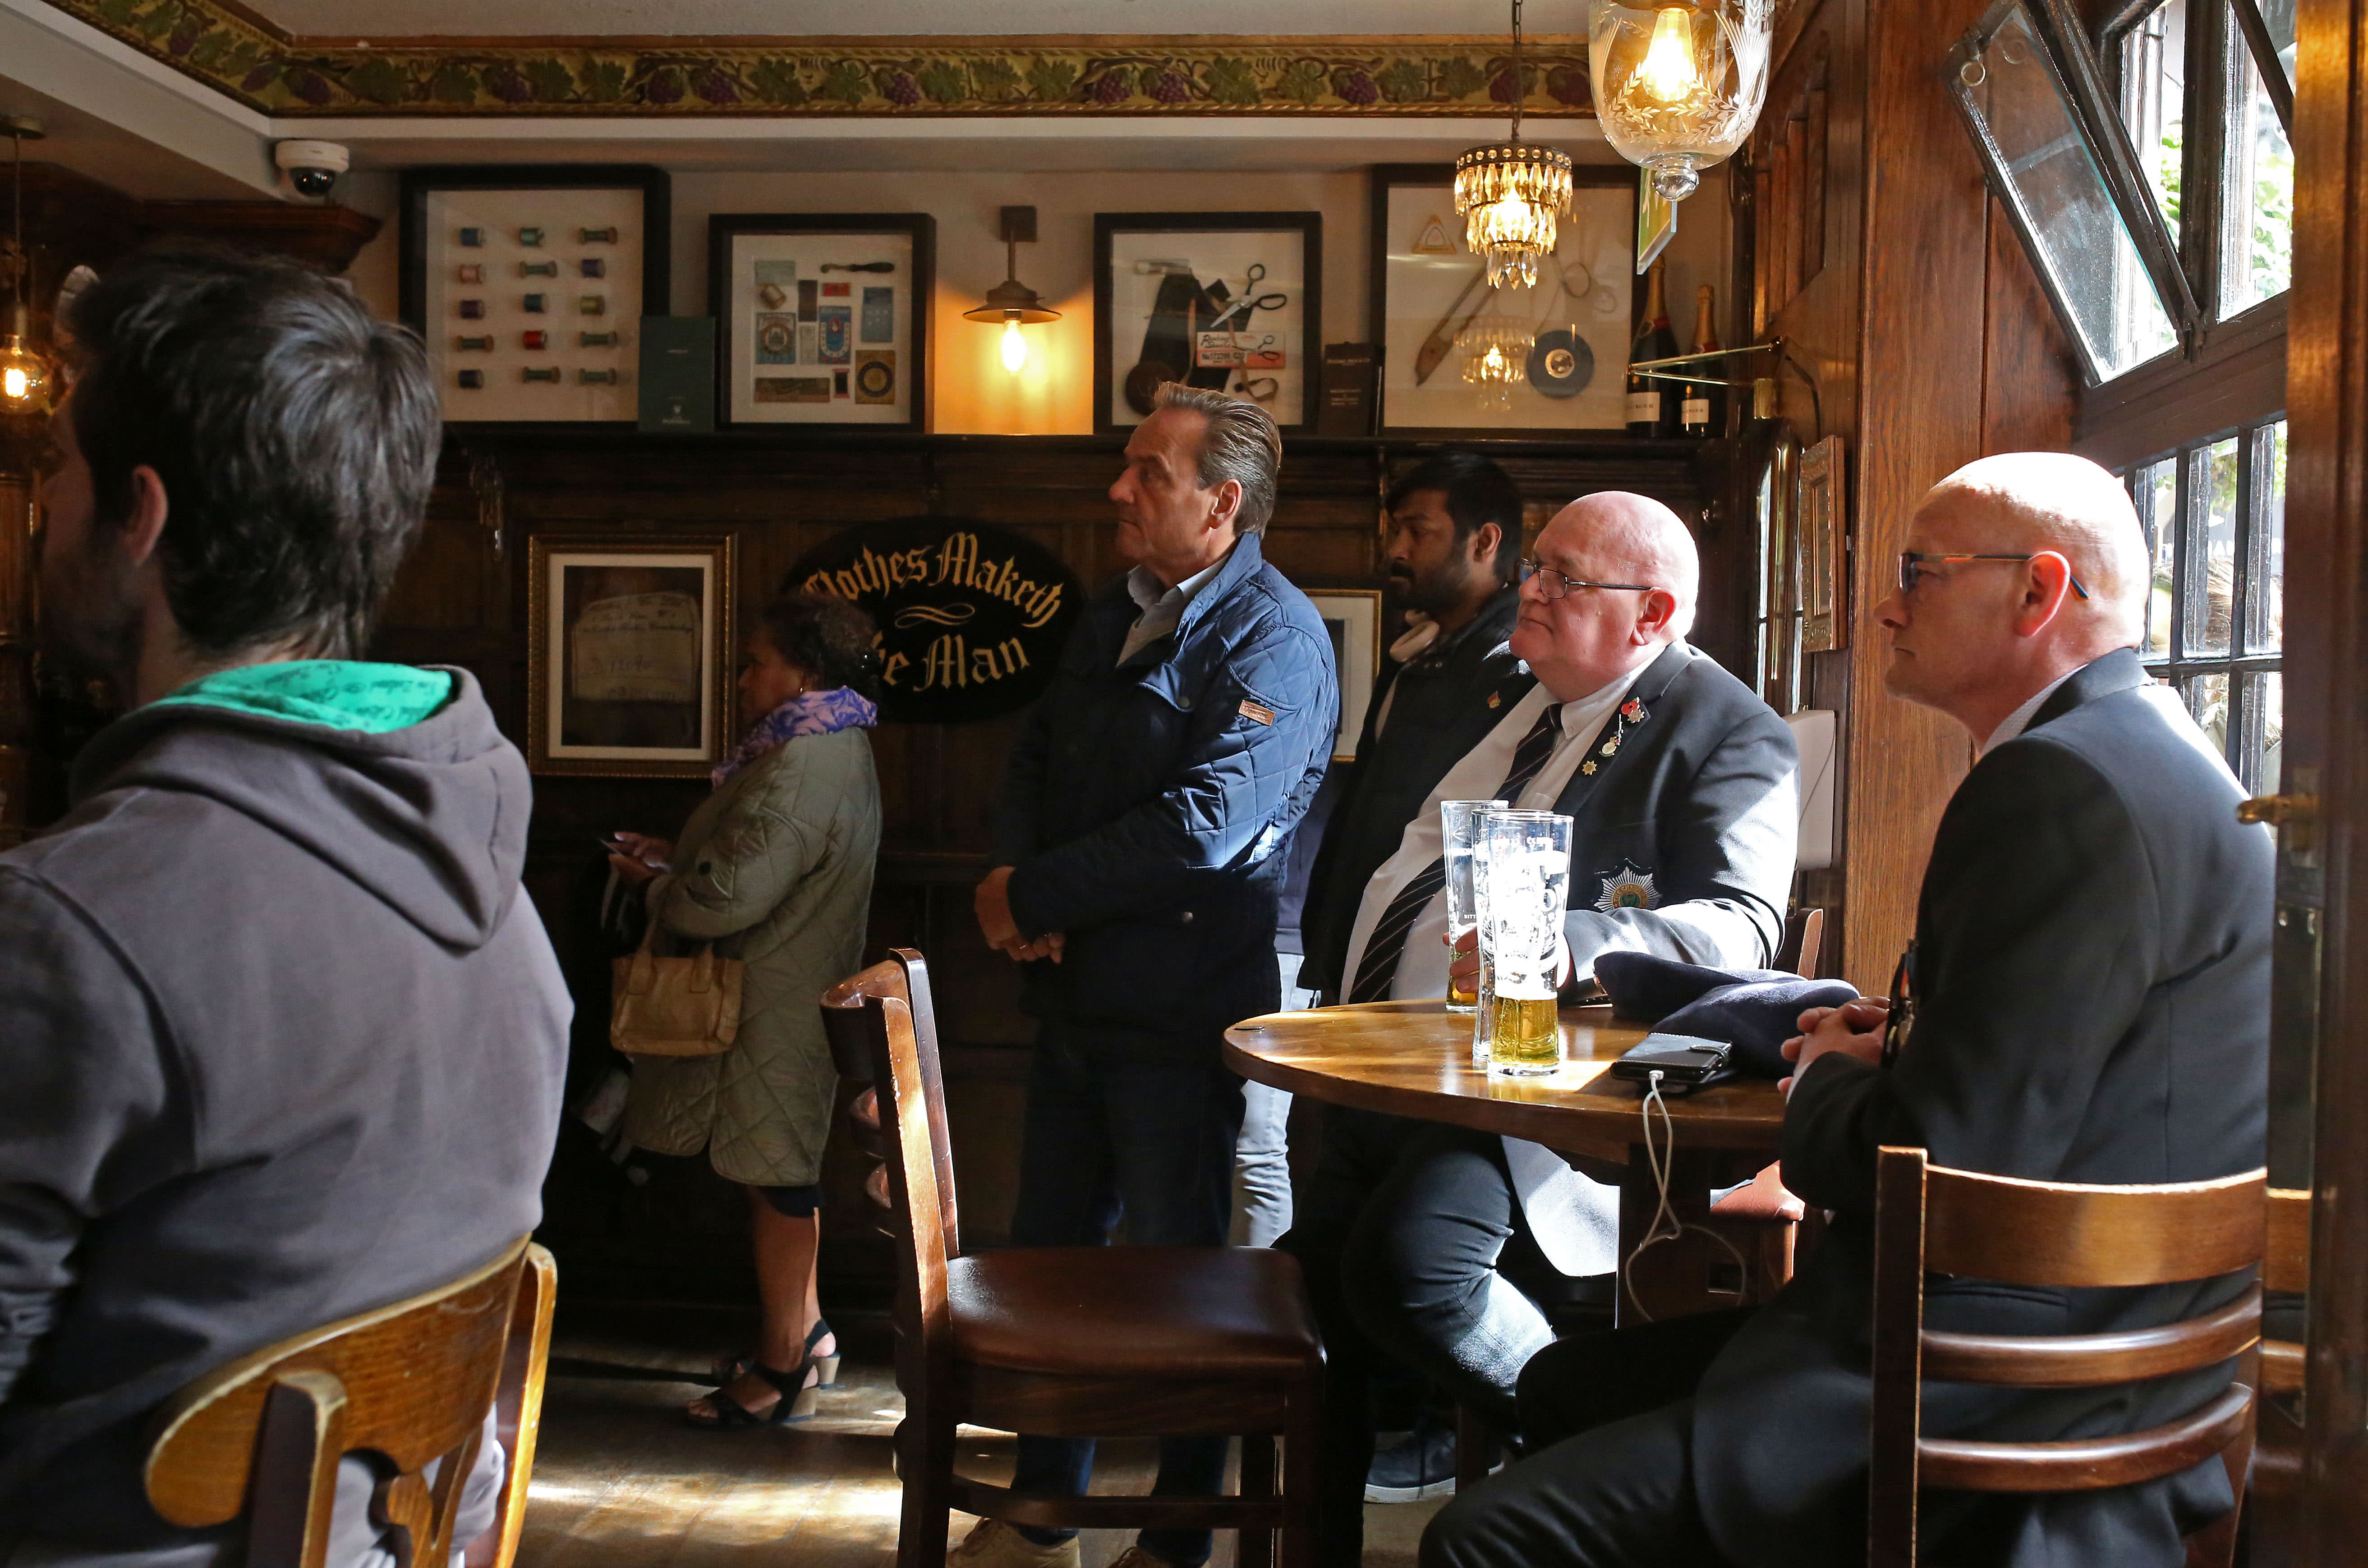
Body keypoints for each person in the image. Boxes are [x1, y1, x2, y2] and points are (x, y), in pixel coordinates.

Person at [1423, 453, 2272, 1568]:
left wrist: (1826, 1074)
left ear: (2039, 591)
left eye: (1920, 570)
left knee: (1484, 1538)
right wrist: (1902, 1037)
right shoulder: (2143, 749)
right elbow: (2056, 1068)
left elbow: (1934, 1163)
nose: (1885, 601)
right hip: (2116, 1352)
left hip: (1996, 1386)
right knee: (1562, 1379)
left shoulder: (2057, 785)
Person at [0, 250, 570, 1566]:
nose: (38, 504)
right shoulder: (497, 891)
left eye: (57, 468)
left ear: (140, 516)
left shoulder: (71, 922)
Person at [1283, 491, 1798, 1568]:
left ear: (1651, 611)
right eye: (1536, 566)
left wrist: (1573, 936)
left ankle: (1606, 1460)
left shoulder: (1728, 725)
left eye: (1567, 577)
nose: (1530, 588)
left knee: (1409, 1266)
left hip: (1544, 1085)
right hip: (1405, 1060)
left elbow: (1742, 924)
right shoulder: (1527, 698)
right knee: (1319, 1282)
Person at [962, 383, 1337, 1568]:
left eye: (1146, 473)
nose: (1116, 490)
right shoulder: (1104, 614)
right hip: (1073, 993)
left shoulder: (1274, 634)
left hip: (1180, 1008)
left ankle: (1178, 1535)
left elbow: (1205, 823)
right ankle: (1044, 1513)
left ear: (1220, 503)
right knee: (1054, 1270)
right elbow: (1033, 752)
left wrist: (1035, 896)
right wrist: (1016, 878)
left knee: (1180, 1279)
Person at [608, 592, 884, 1429]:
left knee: (777, 1181)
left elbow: (727, 895)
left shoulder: (803, 760)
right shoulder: (829, 744)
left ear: (802, 673)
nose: (742, 679)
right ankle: (810, 1335)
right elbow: (753, 859)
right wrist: (679, 859)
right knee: (777, 1176)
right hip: (780, 1000)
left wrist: (657, 885)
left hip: (768, 1008)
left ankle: (783, 1366)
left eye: (756, 661)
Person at [1251, 452, 1526, 1251]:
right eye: (1394, 528)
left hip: (1436, 979)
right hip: (1355, 963)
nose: (1396, 549)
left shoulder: (1515, 670)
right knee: (1334, 1174)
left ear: (1484, 542)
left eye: (1418, 530)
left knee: (1389, 1199)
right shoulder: (1422, 656)